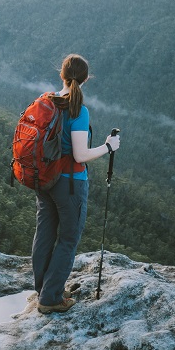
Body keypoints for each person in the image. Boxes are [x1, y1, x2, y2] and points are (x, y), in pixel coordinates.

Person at [32, 53, 120, 314]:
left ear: (62, 74)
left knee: (45, 233)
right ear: (85, 79)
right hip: (69, 183)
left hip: (44, 179)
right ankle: (50, 299)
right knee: (68, 239)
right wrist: (107, 146)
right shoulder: (78, 110)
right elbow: (80, 155)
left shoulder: (47, 101)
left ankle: (45, 289)